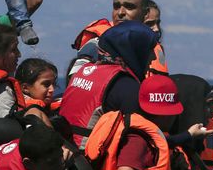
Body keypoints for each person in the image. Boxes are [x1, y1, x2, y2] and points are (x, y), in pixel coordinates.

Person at [59, 21, 158, 149]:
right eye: (148, 50)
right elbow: (140, 138)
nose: (153, 58)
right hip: (87, 160)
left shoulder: (84, 70)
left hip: (63, 148)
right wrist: (187, 136)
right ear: (133, 50)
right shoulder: (125, 86)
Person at [69, 0, 167, 78]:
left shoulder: (152, 48)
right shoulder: (96, 45)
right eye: (116, 7)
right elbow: (75, 81)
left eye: (129, 7)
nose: (120, 13)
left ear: (145, 13)